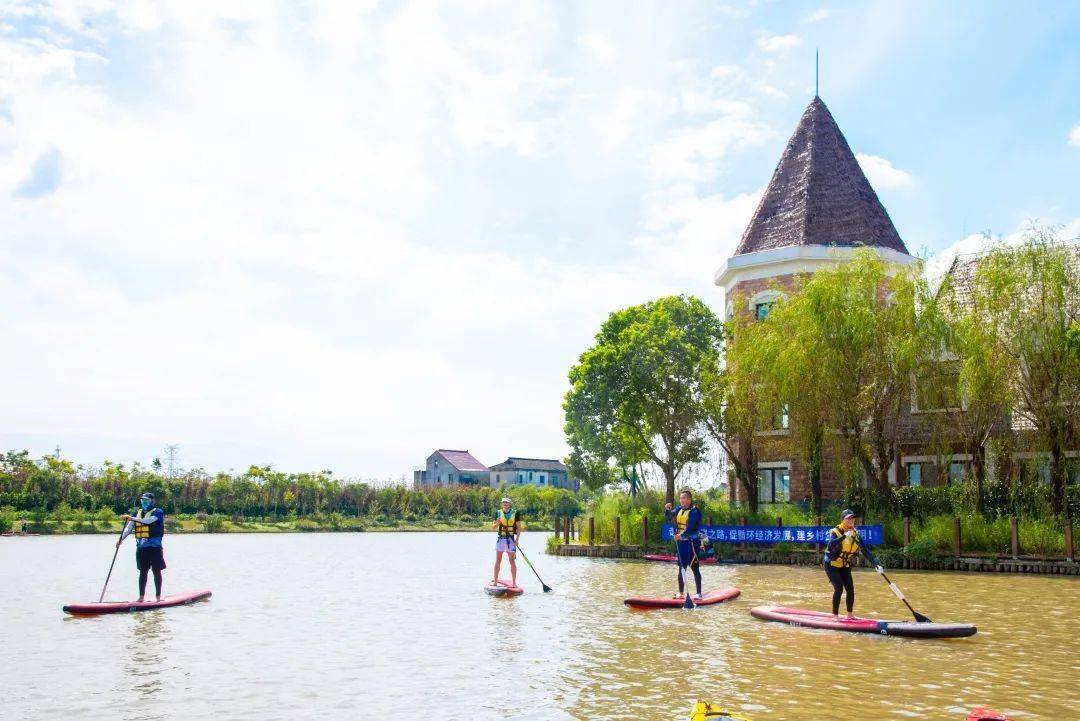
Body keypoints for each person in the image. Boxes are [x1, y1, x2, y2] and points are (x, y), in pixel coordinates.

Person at [823, 508, 880, 618]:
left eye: (852, 518)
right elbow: (831, 545)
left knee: (850, 588)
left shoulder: (856, 534)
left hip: (844, 565)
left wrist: (876, 564)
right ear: (843, 520)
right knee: (839, 588)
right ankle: (835, 615)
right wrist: (844, 536)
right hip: (831, 564)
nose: (851, 520)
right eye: (848, 518)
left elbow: (865, 550)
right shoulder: (836, 531)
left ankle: (850, 614)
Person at [118, 492, 166, 602]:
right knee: (143, 572)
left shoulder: (158, 512)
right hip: (141, 548)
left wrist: (132, 518)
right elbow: (129, 528)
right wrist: (121, 539)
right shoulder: (137, 513)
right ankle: (141, 598)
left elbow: (149, 521)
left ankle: (158, 598)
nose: (144, 502)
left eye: (146, 500)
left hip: (155, 548)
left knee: (156, 571)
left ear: (152, 501)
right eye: (142, 500)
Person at [664, 489, 703, 598]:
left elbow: (691, 527)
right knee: (681, 568)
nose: (681, 500)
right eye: (681, 498)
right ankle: (681, 593)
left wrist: (681, 535)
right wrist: (667, 509)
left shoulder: (695, 512)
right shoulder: (679, 509)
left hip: (692, 544)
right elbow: (669, 516)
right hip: (681, 544)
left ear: (689, 499)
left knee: (695, 568)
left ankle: (698, 593)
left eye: (684, 498)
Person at [491, 497, 521, 587]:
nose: (505, 504)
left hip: (511, 540)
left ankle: (514, 583)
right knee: (498, 560)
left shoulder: (515, 513)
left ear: (509, 504)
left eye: (507, 503)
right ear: (501, 504)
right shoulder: (498, 513)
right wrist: (498, 522)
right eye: (503, 502)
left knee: (512, 561)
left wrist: (517, 540)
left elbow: (519, 528)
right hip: (501, 539)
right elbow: (493, 527)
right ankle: (495, 582)